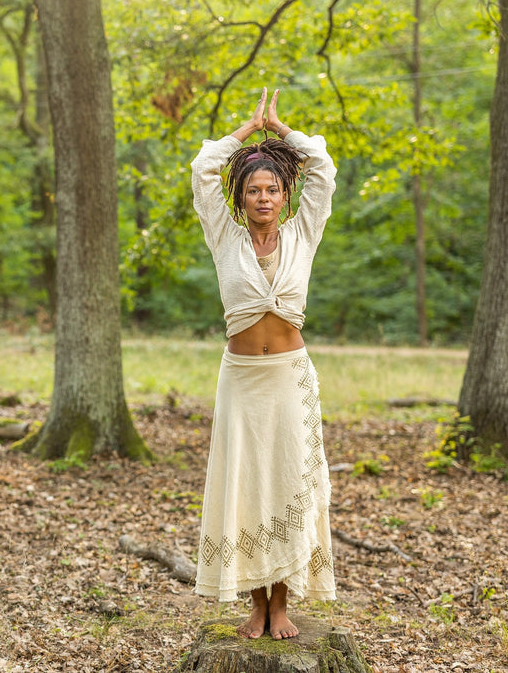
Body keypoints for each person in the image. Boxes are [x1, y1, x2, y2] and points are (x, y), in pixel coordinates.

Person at [190, 87, 337, 640]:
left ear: (284, 193)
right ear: (241, 197)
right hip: (242, 381)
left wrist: (283, 131)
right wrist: (246, 133)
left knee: (289, 483)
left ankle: (282, 602)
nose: (264, 197)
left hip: (290, 381)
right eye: (253, 189)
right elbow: (203, 169)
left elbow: (323, 168)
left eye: (272, 188)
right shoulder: (223, 235)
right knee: (247, 486)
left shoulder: (303, 233)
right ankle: (255, 603)